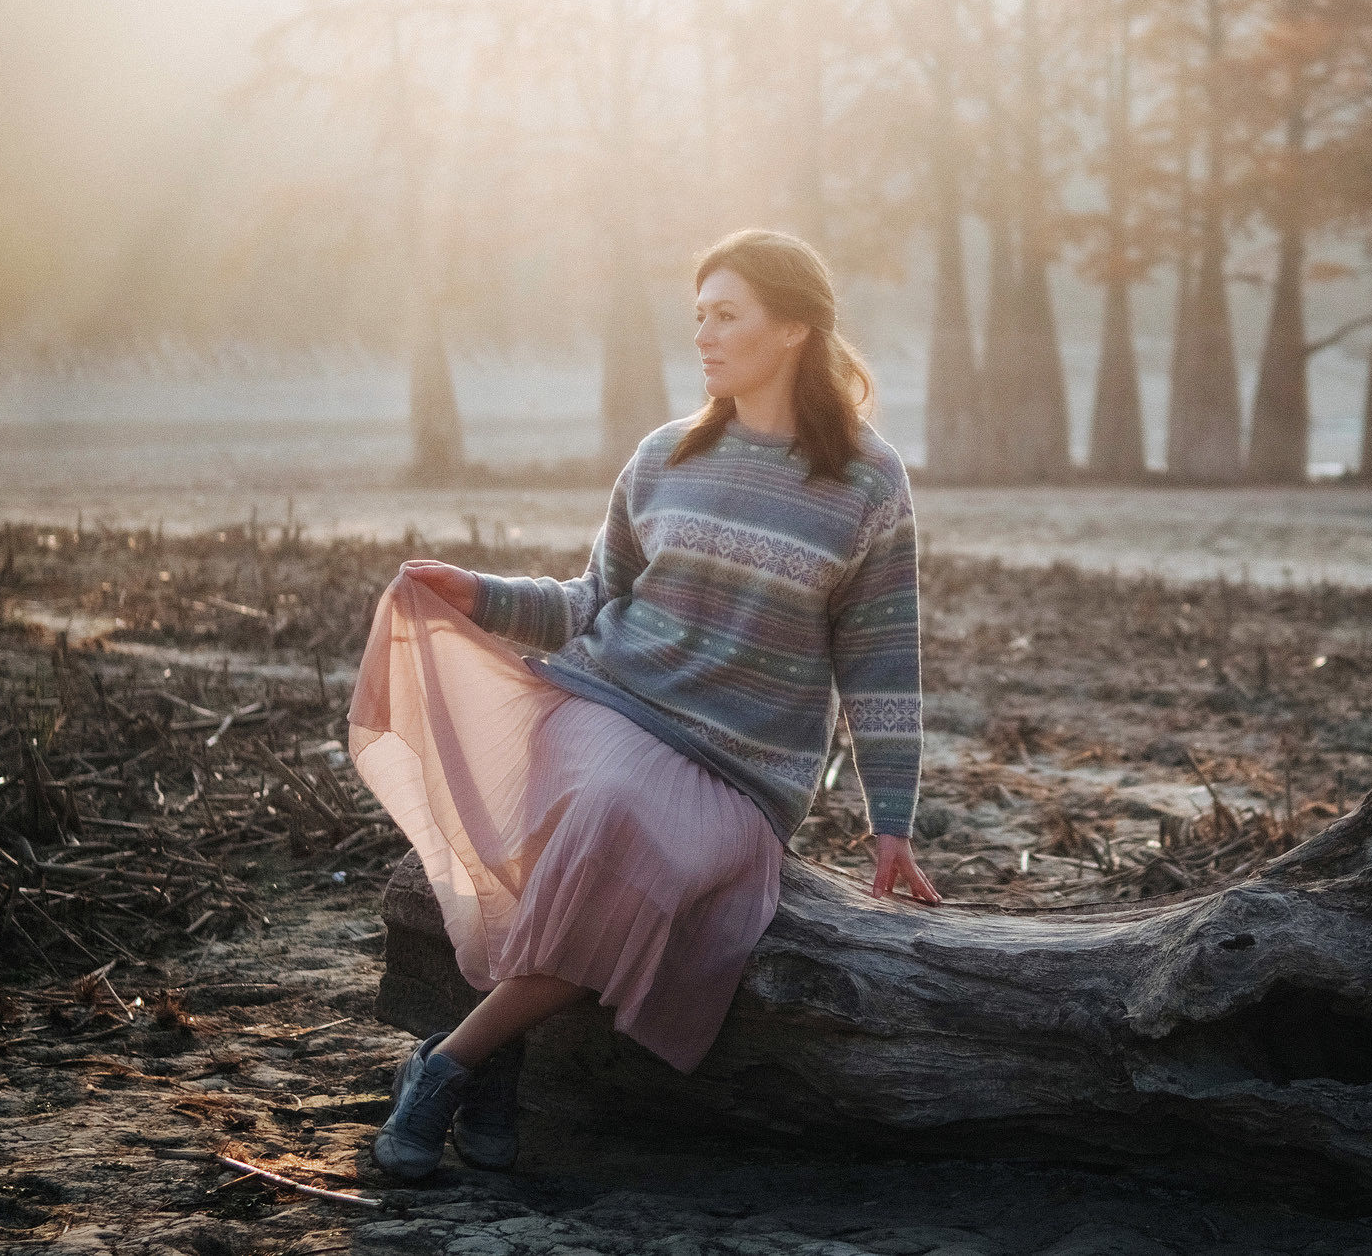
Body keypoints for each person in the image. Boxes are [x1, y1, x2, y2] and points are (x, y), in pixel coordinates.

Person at [348, 228, 940, 1179]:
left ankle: (457, 1057)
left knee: (660, 859)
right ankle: (466, 1068)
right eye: (697, 316)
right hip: (611, 708)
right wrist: (479, 593)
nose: (703, 336)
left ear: (792, 329)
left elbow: (879, 661)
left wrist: (893, 821)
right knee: (614, 817)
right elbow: (592, 602)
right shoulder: (664, 457)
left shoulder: (869, 481)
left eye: (727, 316)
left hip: (748, 772)